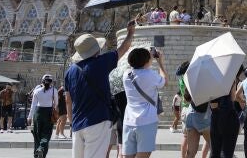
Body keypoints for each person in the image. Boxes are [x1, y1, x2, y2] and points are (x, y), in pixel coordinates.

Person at [65, 19, 136, 158]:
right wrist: (130, 33)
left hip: (77, 122)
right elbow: (124, 48)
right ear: (96, 49)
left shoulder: (70, 71)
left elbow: (68, 99)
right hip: (98, 120)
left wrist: (71, 120)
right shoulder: (101, 62)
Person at [122, 47, 167, 158]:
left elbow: (138, 66)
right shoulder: (150, 75)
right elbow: (165, 81)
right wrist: (160, 62)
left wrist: (147, 57)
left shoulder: (126, 75)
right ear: (146, 61)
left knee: (128, 156)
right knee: (143, 155)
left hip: (129, 121)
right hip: (147, 121)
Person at [177, 61, 211, 158]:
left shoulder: (189, 80)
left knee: (191, 152)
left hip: (190, 114)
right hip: (202, 116)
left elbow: (186, 99)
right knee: (216, 146)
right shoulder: (205, 81)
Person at [209, 66, 241, 158]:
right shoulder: (230, 77)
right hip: (229, 116)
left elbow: (211, 104)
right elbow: (233, 98)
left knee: (215, 152)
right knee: (227, 152)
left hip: (215, 117)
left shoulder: (210, 81)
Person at [28, 74, 58, 158]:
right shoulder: (54, 90)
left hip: (37, 113)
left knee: (37, 134)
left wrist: (29, 117)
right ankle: (41, 149)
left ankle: (36, 153)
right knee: (46, 134)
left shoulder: (37, 91)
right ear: (51, 82)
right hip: (48, 113)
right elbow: (56, 104)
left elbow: (33, 105)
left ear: (42, 81)